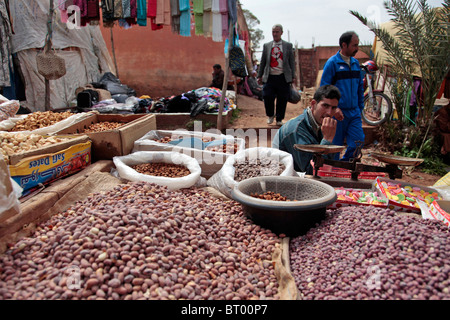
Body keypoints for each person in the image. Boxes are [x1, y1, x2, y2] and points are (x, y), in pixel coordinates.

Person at [272, 85, 343, 174]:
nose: (329, 112)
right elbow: (312, 171)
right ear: (313, 104)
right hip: (286, 178)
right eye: (325, 106)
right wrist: (327, 140)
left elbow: (328, 163)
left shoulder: (319, 123)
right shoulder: (297, 130)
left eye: (333, 108)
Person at [320, 31, 365, 162]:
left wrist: (360, 108)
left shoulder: (356, 64)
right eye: (354, 45)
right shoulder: (332, 63)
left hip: (354, 112)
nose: (357, 48)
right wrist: (334, 109)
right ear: (344, 45)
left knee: (358, 142)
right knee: (334, 146)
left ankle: (345, 165)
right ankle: (332, 172)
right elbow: (324, 89)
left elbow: (360, 88)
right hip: (337, 113)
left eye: (357, 45)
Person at [257, 24, 296, 126]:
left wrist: (293, 76)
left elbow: (292, 61)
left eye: (277, 32)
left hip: (283, 77)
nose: (275, 34)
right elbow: (263, 62)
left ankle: (279, 118)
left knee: (282, 98)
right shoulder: (267, 46)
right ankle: (270, 115)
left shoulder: (288, 46)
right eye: (273, 32)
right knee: (267, 96)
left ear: (281, 33)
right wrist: (259, 76)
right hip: (269, 76)